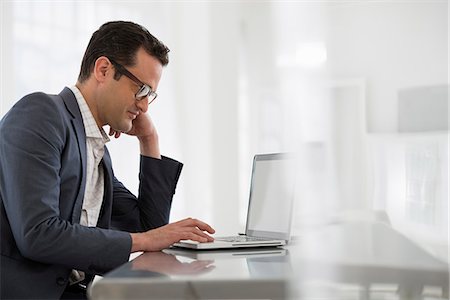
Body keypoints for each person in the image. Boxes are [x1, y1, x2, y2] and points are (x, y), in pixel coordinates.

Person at [0, 21, 215, 299]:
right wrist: (145, 240)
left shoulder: (96, 150)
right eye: (141, 89)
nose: (144, 105)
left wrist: (149, 139)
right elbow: (38, 234)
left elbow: (149, 228)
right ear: (104, 70)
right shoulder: (42, 114)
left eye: (151, 95)